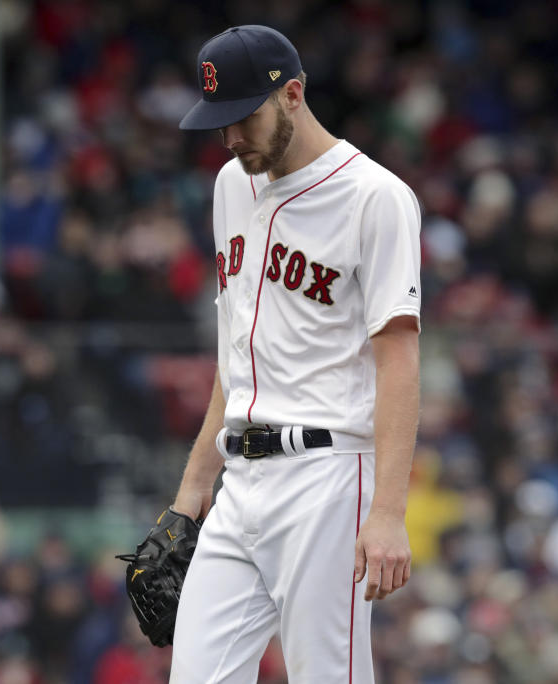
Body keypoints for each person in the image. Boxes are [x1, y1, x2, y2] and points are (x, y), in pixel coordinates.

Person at [171, 25, 421, 683]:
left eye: (242, 117)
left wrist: (389, 511)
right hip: (240, 479)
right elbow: (239, 352)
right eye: (218, 122)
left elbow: (399, 359)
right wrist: (192, 488)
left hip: (328, 477)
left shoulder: (377, 198)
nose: (230, 137)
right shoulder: (232, 186)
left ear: (292, 95)